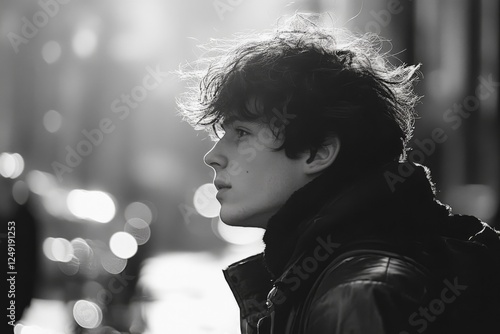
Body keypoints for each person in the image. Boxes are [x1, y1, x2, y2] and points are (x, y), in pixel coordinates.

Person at [177, 14, 500, 334]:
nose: (213, 157)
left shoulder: (356, 297)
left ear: (318, 152)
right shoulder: (352, 272)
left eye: (242, 133)